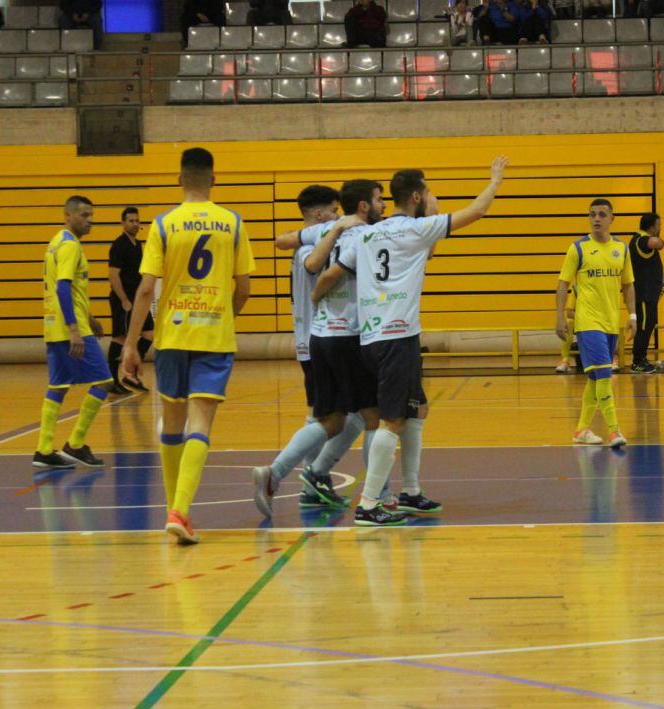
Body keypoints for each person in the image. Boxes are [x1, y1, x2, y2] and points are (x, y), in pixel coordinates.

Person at [330, 157, 509, 526]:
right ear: (416, 196)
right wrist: (495, 180)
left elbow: (336, 270)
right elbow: (477, 211)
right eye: (428, 191)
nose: (432, 197)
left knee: (416, 412)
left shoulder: (367, 233)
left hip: (375, 336)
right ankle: (368, 505)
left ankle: (410, 492)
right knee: (393, 420)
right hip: (396, 337)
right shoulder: (416, 228)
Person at [120, 148, 255, 545]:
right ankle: (180, 511)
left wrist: (130, 345)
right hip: (213, 335)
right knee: (201, 424)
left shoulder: (163, 225)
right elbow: (243, 287)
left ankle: (174, 510)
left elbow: (146, 289)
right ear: (214, 179)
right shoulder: (232, 222)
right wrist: (223, 316)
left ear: (179, 179)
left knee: (173, 424)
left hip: (172, 335)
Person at [252, 183, 377, 518]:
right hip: (322, 337)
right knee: (335, 416)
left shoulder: (317, 235)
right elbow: (310, 265)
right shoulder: (322, 240)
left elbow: (283, 239)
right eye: (334, 212)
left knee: (340, 415)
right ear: (321, 215)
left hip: (318, 339)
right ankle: (305, 476)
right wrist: (336, 227)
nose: (340, 216)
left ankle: (312, 478)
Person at [32, 196, 114, 470]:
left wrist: (90, 319)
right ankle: (76, 444)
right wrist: (75, 330)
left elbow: (68, 288)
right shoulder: (69, 245)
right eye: (84, 215)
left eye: (92, 215)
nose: (90, 220)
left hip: (54, 326)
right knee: (103, 382)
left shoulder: (56, 242)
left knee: (58, 386)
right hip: (69, 329)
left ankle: (44, 450)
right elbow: (63, 288)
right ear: (68, 216)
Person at [556, 198, 637, 448]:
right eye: (592, 215)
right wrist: (560, 316)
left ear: (612, 219)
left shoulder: (621, 250)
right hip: (588, 322)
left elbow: (628, 285)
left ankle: (581, 430)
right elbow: (563, 284)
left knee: (595, 379)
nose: (596, 219)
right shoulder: (578, 249)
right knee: (604, 372)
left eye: (602, 214)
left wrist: (632, 316)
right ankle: (614, 430)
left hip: (612, 322)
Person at [107, 207, 152, 395]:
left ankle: (130, 374)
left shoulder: (138, 244)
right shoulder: (119, 245)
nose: (135, 224)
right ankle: (112, 380)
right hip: (124, 299)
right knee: (120, 338)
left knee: (149, 334)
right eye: (131, 221)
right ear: (123, 223)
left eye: (137, 221)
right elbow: (113, 275)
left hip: (137, 298)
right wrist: (124, 299)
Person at [628, 213, 664, 374]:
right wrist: (660, 239)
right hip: (643, 293)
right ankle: (637, 361)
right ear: (651, 227)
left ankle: (641, 358)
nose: (660, 228)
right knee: (643, 325)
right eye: (659, 225)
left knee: (649, 323)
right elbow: (658, 243)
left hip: (648, 294)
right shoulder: (641, 240)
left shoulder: (640, 239)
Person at [556, 288, 577, 373]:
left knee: (611, 321)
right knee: (568, 323)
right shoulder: (576, 289)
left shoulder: (602, 288)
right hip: (582, 320)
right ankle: (565, 360)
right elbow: (569, 313)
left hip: (599, 320)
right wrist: (585, 317)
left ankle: (610, 359)